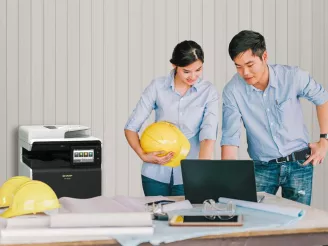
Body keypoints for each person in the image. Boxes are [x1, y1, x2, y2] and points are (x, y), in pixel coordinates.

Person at [221, 30, 328, 205]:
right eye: (238, 66)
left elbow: (323, 100)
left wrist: (325, 140)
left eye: (249, 64)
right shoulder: (232, 91)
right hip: (262, 167)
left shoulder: (293, 76)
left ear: (264, 56)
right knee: (255, 222)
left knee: (297, 224)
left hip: (300, 163)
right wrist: (228, 179)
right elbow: (230, 138)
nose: (245, 72)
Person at [124, 40, 219, 196]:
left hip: (190, 175)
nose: (193, 76)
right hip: (155, 174)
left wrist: (202, 174)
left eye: (198, 70)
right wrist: (142, 155)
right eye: (186, 71)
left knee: (184, 219)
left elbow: (208, 136)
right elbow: (131, 127)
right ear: (174, 66)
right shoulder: (157, 86)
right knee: (157, 219)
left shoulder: (208, 92)